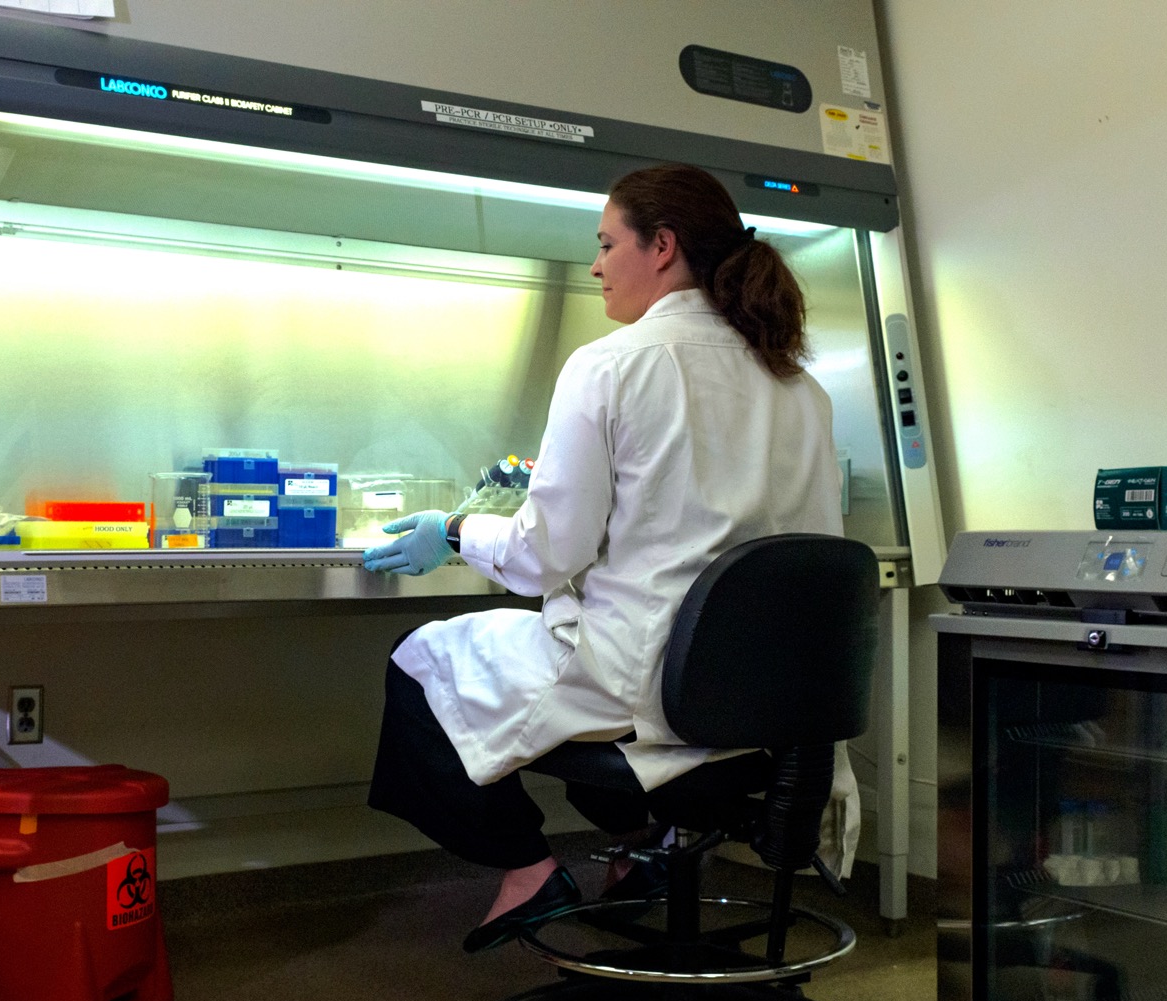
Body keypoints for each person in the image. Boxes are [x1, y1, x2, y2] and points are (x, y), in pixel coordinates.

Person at [360, 163, 844, 952]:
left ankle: (527, 868)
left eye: (606, 242)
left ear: (661, 246)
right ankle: (635, 858)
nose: (593, 265)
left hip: (646, 687)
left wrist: (452, 532)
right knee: (540, 678)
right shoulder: (801, 388)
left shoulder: (611, 365)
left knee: (416, 664)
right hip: (776, 710)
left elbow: (546, 554)